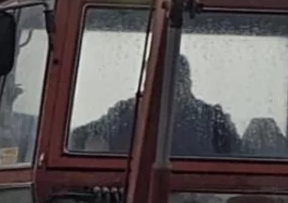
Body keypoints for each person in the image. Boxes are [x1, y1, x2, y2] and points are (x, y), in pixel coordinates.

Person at [69, 54, 239, 157]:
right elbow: (79, 137)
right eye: (158, 79)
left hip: (199, 197)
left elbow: (238, 159)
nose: (167, 87)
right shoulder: (125, 113)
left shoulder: (213, 119)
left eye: (176, 79)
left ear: (188, 82)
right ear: (146, 82)